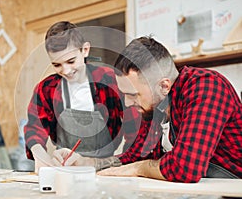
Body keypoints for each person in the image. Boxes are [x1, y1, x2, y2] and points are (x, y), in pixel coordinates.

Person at [54, 36, 242, 183]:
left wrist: (139, 169)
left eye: (134, 95)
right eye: (124, 94)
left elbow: (185, 168)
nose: (127, 103)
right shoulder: (155, 108)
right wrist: (87, 163)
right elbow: (134, 156)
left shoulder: (206, 87)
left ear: (164, 86)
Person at [24, 21, 125, 173]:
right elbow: (35, 128)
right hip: (65, 169)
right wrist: (39, 154)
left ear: (85, 50)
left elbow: (134, 124)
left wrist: (120, 162)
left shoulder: (109, 79)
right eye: (57, 65)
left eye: (71, 61)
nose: (66, 70)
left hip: (105, 168)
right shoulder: (46, 89)